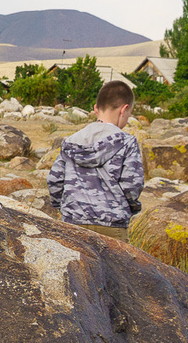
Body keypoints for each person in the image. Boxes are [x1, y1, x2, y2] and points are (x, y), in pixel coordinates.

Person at [48, 79, 147, 233]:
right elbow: (132, 185)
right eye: (129, 114)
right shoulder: (127, 143)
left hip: (73, 224)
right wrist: (130, 209)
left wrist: (64, 207)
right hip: (113, 225)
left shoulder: (71, 142)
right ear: (124, 109)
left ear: (96, 109)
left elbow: (55, 180)